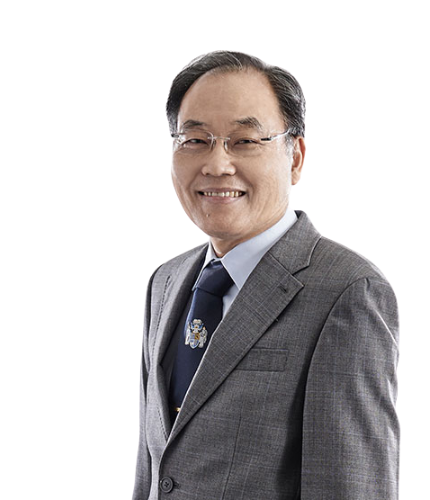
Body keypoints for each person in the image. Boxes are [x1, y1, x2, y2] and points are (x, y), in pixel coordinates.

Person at [133, 50, 400, 500]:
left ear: (295, 158)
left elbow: (352, 486)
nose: (217, 165)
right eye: (195, 140)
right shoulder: (166, 281)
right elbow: (153, 472)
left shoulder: (347, 291)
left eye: (244, 141)